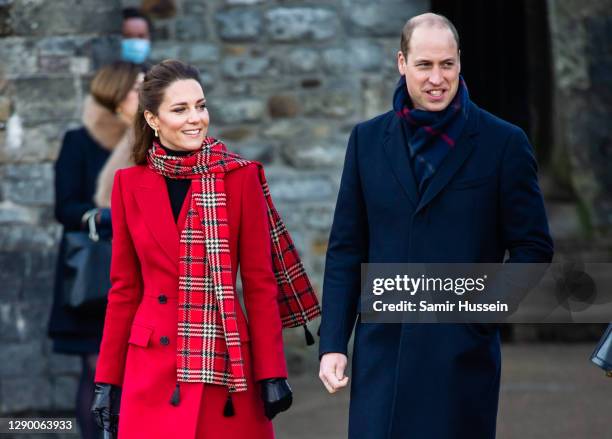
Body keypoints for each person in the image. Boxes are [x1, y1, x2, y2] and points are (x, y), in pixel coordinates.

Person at [318, 13, 554, 439]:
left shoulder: (504, 143)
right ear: (402, 63)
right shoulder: (367, 141)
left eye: (446, 64)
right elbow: (346, 250)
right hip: (381, 361)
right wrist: (334, 342)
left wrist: (478, 314)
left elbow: (533, 248)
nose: (436, 78)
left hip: (460, 360)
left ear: (460, 62)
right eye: (424, 65)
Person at [91, 59, 320, 439]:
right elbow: (124, 290)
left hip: (227, 368)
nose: (195, 118)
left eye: (201, 105)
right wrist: (107, 381)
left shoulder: (240, 178)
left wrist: (272, 371)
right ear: (152, 119)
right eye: (180, 109)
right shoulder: (128, 184)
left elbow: (260, 283)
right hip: (150, 371)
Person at [48, 61, 144, 439]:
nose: (145, 93)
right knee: (97, 370)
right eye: (138, 87)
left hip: (141, 272)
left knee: (136, 372)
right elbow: (64, 207)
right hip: (96, 275)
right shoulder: (79, 140)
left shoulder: (152, 138)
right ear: (117, 93)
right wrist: (107, 217)